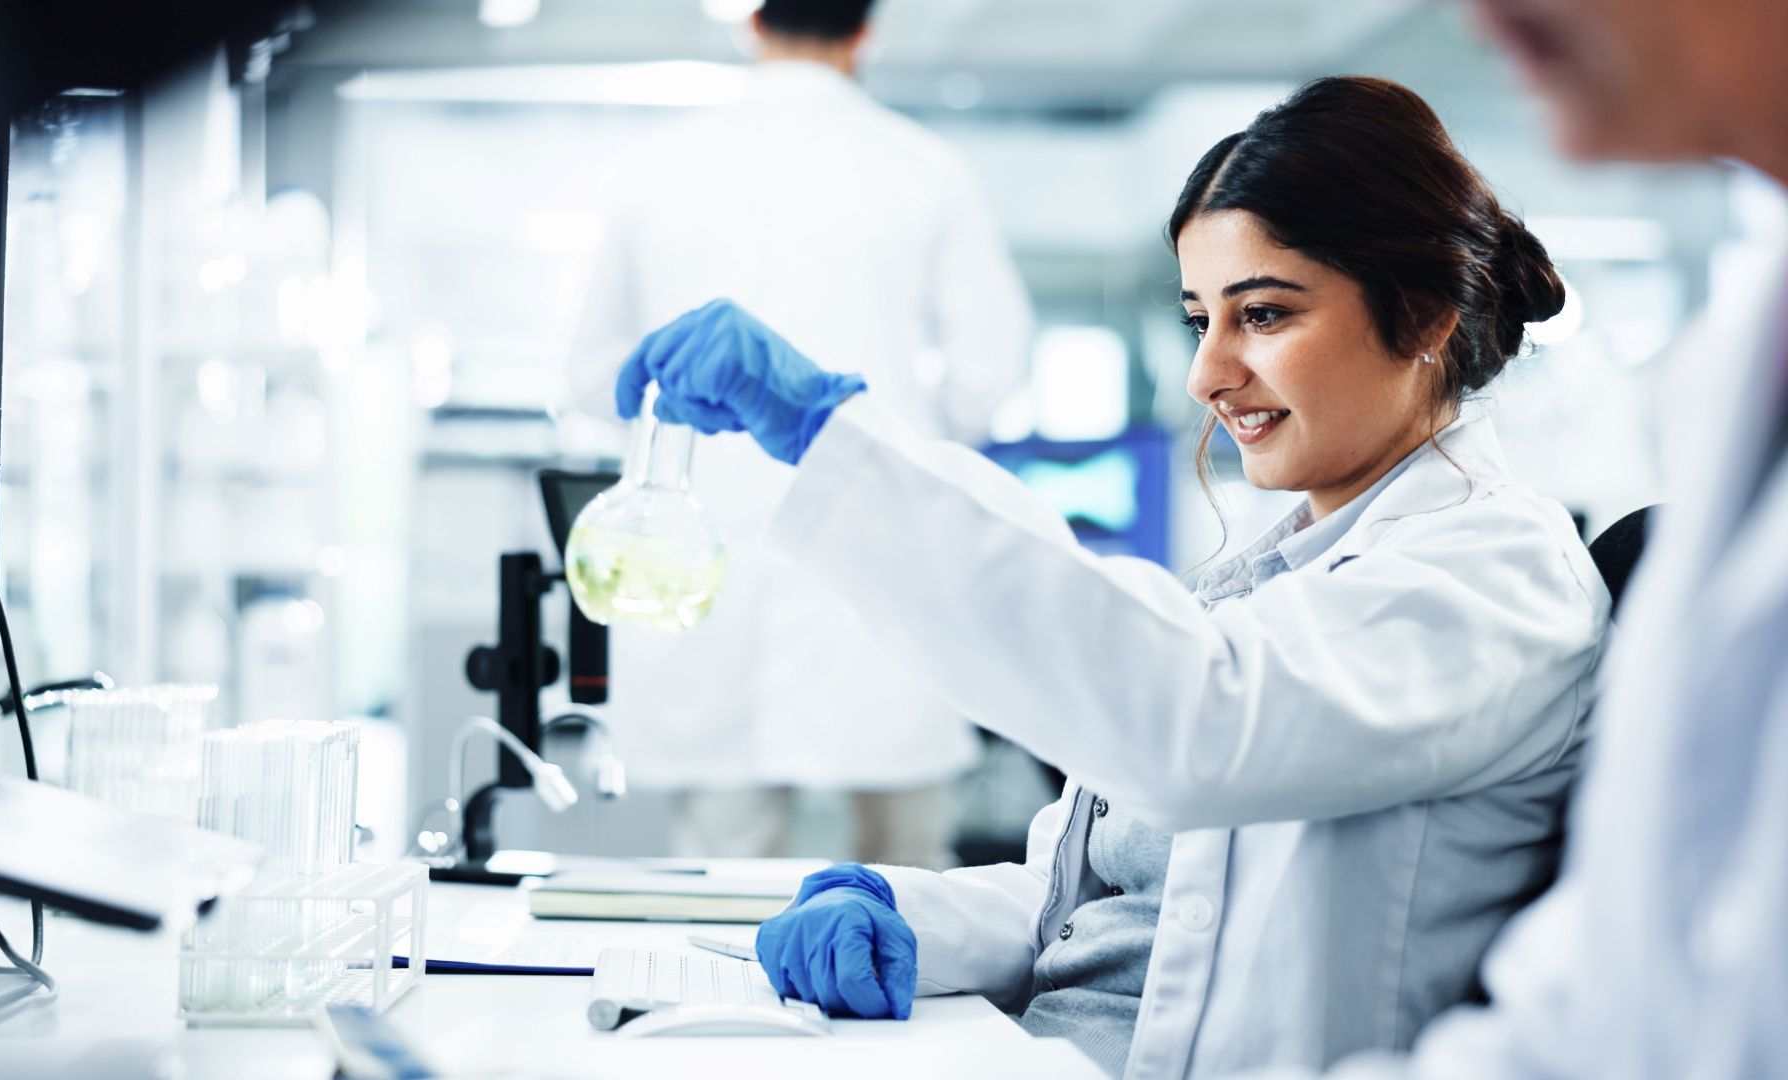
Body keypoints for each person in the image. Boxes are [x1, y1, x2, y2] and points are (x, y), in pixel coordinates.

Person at [613, 75, 1609, 1078]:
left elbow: (1195, 727)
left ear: (1427, 314)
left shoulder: (1498, 578)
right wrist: (906, 912)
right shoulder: (1278, 576)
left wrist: (835, 441)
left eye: (1262, 315)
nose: (1208, 373)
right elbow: (1113, 908)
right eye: (1198, 320)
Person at [1233, 2, 1788, 1077]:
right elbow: (1620, 1001)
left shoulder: (1497, 555)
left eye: (1265, 314)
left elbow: (1193, 721)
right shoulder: (1740, 355)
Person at [561, 0, 1032, 868]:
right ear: (865, 36)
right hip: (882, 538)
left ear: (751, 25)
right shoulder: (925, 168)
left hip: (705, 559)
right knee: (910, 883)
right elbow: (990, 373)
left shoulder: (658, 169)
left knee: (724, 873)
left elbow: (595, 380)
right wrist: (907, 426)